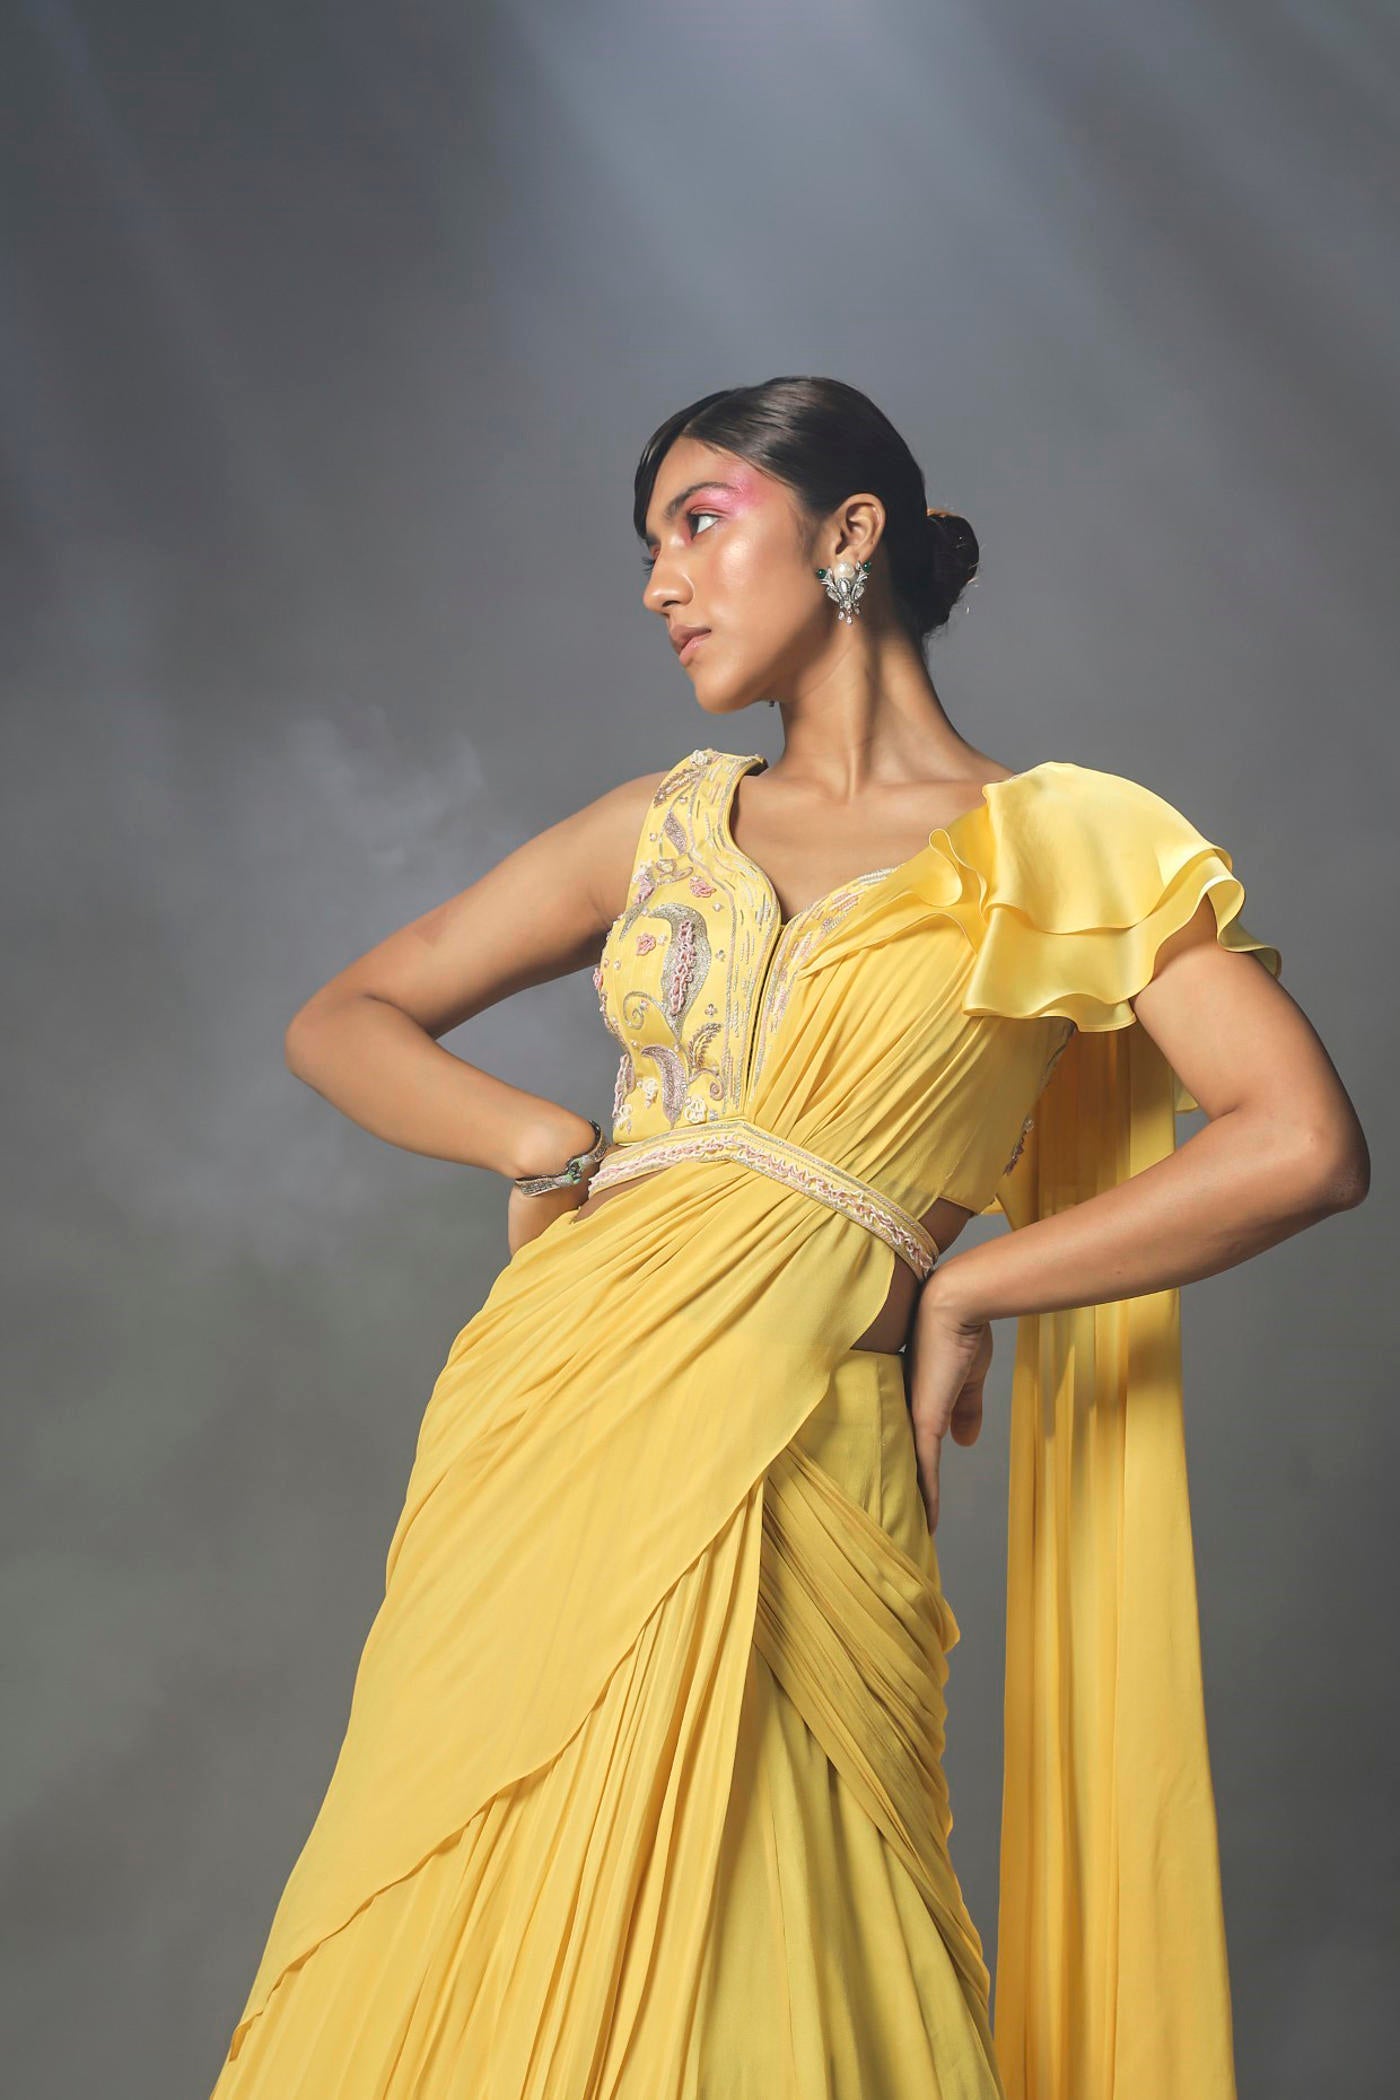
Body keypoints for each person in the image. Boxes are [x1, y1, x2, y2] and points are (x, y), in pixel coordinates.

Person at [207, 375, 1368, 2100]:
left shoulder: (1069, 840)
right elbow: (344, 1018)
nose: (658, 584)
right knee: (465, 1864)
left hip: (813, 1437)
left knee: (785, 1910)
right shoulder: (656, 826)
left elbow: (1302, 1144)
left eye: (698, 522)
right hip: (554, 1412)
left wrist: (972, 1281)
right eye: (648, 547)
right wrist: (542, 1139)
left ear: (849, 532)